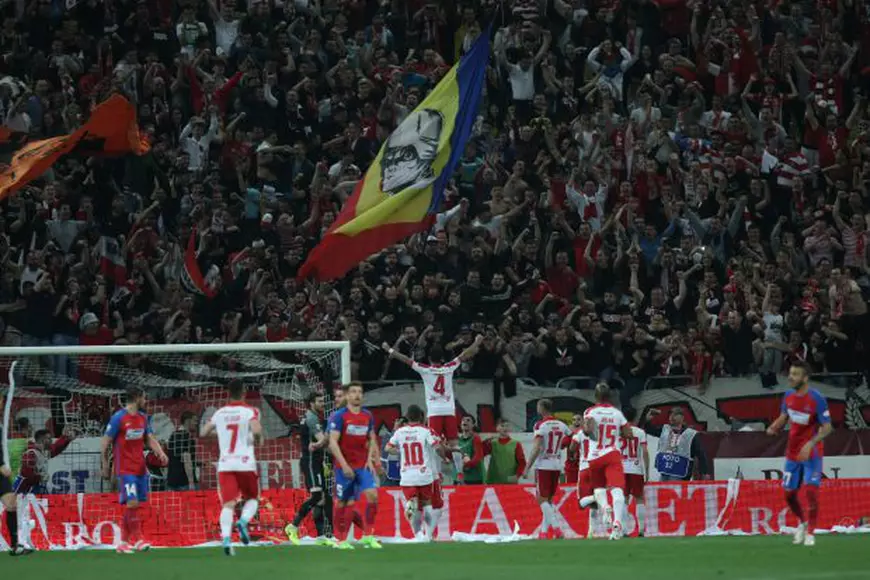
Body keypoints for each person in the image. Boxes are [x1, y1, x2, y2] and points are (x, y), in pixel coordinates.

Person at [382, 334, 484, 481]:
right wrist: (476, 342)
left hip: (434, 412)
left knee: (433, 443)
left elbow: (406, 360)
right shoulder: (449, 367)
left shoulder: (425, 369)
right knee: (454, 443)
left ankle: (438, 474)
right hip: (449, 410)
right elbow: (464, 354)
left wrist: (389, 350)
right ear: (442, 359)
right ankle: (459, 471)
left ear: (430, 359)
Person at [766, 362, 833, 547]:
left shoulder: (817, 398)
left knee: (811, 491)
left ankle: (811, 532)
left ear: (805, 378)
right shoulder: (788, 396)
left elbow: (828, 427)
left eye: (795, 374)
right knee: (788, 494)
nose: (790, 377)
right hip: (792, 453)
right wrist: (775, 426)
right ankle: (802, 523)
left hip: (811, 453)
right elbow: (784, 415)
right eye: (790, 373)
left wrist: (811, 444)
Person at [101, 386, 168, 554]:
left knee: (134, 506)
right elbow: (105, 442)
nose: (145, 401)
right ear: (137, 398)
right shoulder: (119, 418)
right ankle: (138, 540)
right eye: (144, 398)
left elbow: (150, 438)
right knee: (132, 502)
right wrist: (104, 465)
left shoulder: (143, 418)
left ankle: (123, 543)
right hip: (125, 469)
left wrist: (160, 452)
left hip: (140, 468)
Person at [200, 380, 263, 557]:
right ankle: (243, 521)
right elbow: (257, 430)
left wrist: (221, 432)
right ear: (243, 392)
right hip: (245, 462)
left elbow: (203, 432)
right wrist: (257, 439)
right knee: (253, 498)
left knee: (228, 504)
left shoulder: (220, 412)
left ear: (228, 393)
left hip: (225, 463)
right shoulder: (250, 411)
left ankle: (227, 539)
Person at [327, 382, 381, 550]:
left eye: (360, 392)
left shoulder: (367, 416)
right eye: (353, 392)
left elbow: (371, 438)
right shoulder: (339, 416)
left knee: (373, 496)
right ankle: (340, 540)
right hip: (344, 467)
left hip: (362, 466)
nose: (357, 395)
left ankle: (368, 536)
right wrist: (343, 465)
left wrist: (372, 459)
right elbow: (332, 443)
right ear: (348, 396)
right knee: (344, 503)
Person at [384, 404, 445, 542]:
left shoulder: (400, 432)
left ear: (407, 416)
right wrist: (445, 456)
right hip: (424, 474)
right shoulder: (425, 431)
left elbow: (388, 448)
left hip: (407, 475)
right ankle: (428, 536)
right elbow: (437, 447)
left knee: (414, 506)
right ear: (421, 417)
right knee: (428, 504)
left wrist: (400, 451)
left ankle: (417, 535)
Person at [582, 382, 632, 540]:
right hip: (612, 454)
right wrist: (617, 433)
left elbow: (587, 431)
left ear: (595, 396)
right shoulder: (616, 413)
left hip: (595, 455)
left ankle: (605, 507)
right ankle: (617, 524)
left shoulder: (590, 411)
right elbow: (629, 433)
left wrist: (594, 435)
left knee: (598, 487)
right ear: (610, 396)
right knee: (617, 489)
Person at [522, 399, 570, 539]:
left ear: (541, 408)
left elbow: (537, 447)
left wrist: (527, 467)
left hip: (543, 464)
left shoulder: (540, 425)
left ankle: (557, 529)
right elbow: (570, 438)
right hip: (556, 464)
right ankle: (543, 532)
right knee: (548, 500)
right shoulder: (562, 424)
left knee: (541, 500)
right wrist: (561, 445)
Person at [286, 392, 329, 544]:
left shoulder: (310, 417)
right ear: (311, 403)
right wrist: (332, 435)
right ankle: (293, 525)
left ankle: (320, 536)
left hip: (315, 461)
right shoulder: (311, 418)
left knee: (321, 499)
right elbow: (322, 440)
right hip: (311, 462)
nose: (322, 403)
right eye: (319, 401)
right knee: (317, 496)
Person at [646, 408, 709, 481]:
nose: (672, 417)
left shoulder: (690, 434)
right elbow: (650, 430)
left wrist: (705, 472)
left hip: (680, 473)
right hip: (665, 471)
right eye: (670, 415)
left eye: (675, 414)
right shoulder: (665, 430)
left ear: (682, 418)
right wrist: (648, 420)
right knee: (663, 491)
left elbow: (700, 453)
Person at [1, 414, 32, 556]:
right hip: (2, 470)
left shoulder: (2, 428)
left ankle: (15, 546)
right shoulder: (22, 442)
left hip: (3, 475)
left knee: (11, 506)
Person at [13, 427, 74, 494]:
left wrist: (66, 438)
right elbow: (27, 475)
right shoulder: (31, 453)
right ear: (42, 440)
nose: (51, 440)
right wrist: (40, 477)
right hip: (24, 489)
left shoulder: (43, 451)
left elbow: (55, 448)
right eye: (49, 438)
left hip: (35, 487)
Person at [620, 408, 649, 536]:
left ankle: (624, 530)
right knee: (639, 498)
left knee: (624, 499)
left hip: (621, 469)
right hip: (636, 469)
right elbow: (645, 451)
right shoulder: (640, 432)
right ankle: (641, 529)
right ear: (635, 417)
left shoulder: (618, 432)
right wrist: (647, 470)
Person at [484, 418, 526, 484]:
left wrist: (517, 476)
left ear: (510, 428)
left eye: (507, 426)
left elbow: (522, 462)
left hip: (510, 482)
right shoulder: (492, 443)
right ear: (497, 428)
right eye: (502, 426)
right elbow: (481, 453)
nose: (505, 428)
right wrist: (486, 441)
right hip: (493, 481)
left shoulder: (516, 444)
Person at [166, 411, 198, 492]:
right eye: (195, 420)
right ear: (188, 421)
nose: (196, 423)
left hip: (172, 481)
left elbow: (176, 458)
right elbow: (186, 459)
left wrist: (198, 463)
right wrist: (191, 482)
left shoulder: (172, 436)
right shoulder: (187, 437)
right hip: (185, 482)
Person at [457, 416, 486, 484]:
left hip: (475, 477)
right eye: (463, 420)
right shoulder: (458, 440)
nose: (465, 421)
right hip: (461, 477)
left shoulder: (476, 438)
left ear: (473, 425)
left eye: (468, 420)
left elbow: (478, 456)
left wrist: (466, 465)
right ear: (460, 424)